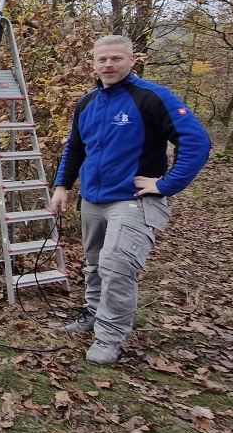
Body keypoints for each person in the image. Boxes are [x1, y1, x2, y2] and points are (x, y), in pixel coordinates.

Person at [50, 35, 211, 366]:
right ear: (93, 63)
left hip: (134, 200)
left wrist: (168, 184)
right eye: (102, 59)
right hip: (93, 200)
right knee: (95, 265)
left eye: (116, 59)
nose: (109, 64)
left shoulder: (152, 98)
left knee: (117, 267)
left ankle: (109, 338)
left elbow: (195, 141)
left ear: (131, 60)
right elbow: (76, 147)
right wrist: (62, 185)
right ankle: (93, 315)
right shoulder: (87, 103)